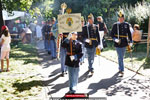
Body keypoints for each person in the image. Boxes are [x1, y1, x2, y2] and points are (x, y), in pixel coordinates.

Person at [110, 11, 133, 77]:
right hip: (118, 43)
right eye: (119, 18)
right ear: (118, 18)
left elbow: (129, 34)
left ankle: (120, 67)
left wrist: (131, 41)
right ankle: (121, 70)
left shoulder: (127, 24)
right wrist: (115, 39)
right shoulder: (115, 25)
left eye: (122, 18)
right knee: (120, 57)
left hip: (124, 43)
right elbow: (111, 34)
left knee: (122, 57)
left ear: (123, 18)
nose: (121, 19)